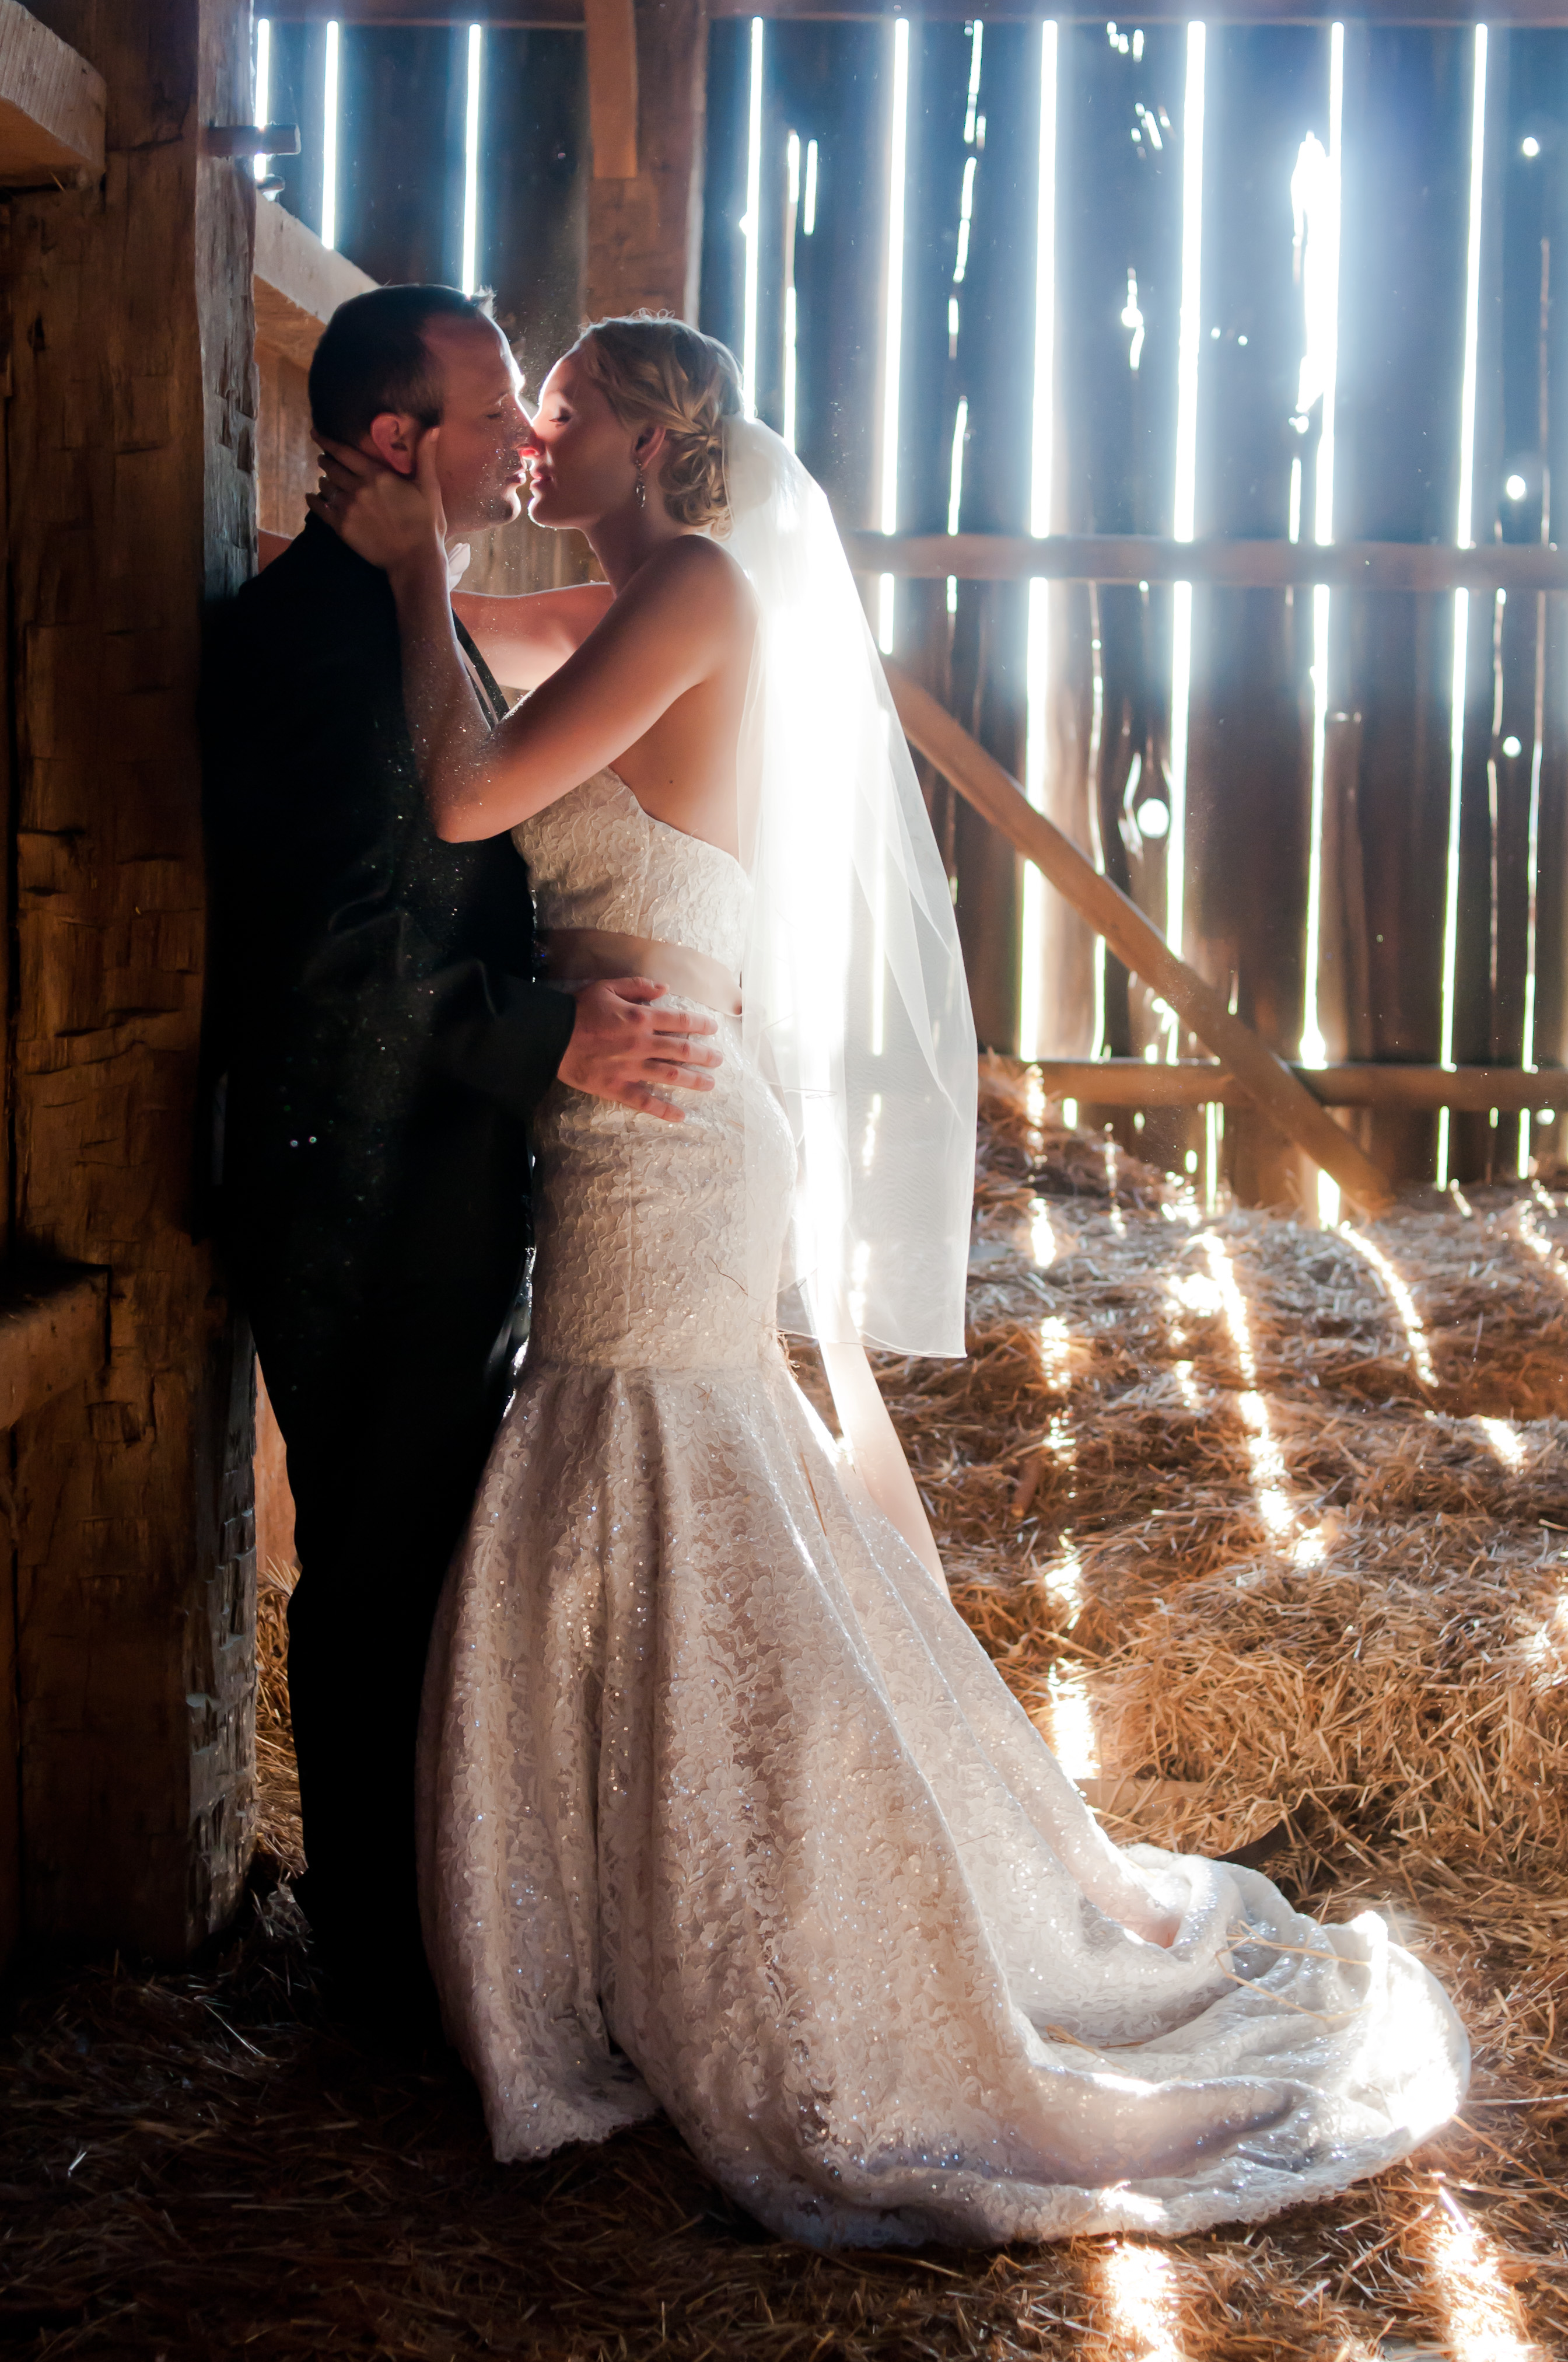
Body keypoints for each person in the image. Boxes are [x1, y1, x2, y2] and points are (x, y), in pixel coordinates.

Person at [311, 313, 1469, 2243]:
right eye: (521, 413)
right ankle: (637, 1924)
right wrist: (392, 556)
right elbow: (468, 667)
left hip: (668, 1127)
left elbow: (466, 794)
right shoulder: (621, 604)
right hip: (616, 1109)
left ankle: (819, 1934)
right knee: (655, 1487)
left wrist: (419, 563)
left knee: (671, 1489)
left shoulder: (693, 594)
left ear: (651, 439)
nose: (534, 439)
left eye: (566, 411)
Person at [203, 286, 720, 2032]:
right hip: (355, 1185)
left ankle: (442, 1942)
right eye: (499, 413)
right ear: (401, 440)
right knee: (373, 1570)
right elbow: (335, 953)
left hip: (440, 1171)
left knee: (427, 1560)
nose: (524, 445)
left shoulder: (399, 611)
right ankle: (376, 1985)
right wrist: (545, 1037)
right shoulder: (304, 638)